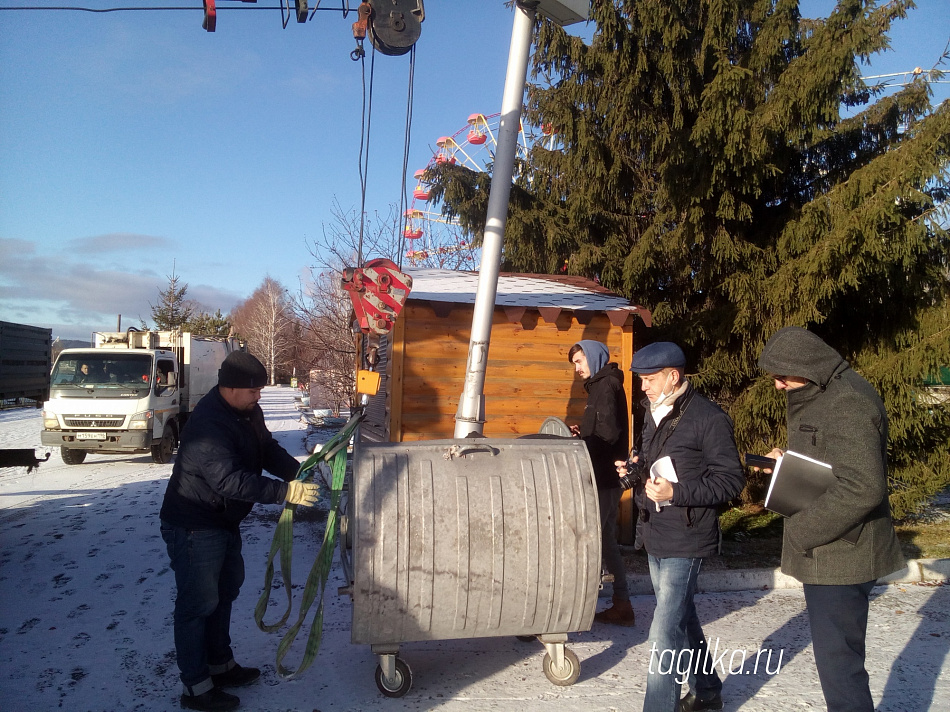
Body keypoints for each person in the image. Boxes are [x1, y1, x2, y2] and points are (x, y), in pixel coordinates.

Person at [159, 351, 320, 712]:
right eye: (253, 391)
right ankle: (196, 688)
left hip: (222, 522)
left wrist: (296, 473)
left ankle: (221, 665)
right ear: (230, 388)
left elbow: (266, 448)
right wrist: (284, 492)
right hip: (194, 524)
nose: (258, 396)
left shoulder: (247, 412)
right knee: (197, 604)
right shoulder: (208, 425)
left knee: (224, 593)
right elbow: (228, 480)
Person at [757, 326, 904, 712]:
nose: (776, 385)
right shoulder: (821, 392)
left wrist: (803, 530)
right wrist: (787, 467)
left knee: (841, 671)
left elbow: (863, 487)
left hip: (842, 554)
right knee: (837, 666)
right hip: (833, 549)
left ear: (804, 365)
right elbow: (831, 462)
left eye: (780, 376)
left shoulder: (848, 402)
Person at [618, 342, 744, 712]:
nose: (643, 387)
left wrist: (678, 491)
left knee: (663, 633)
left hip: (688, 537)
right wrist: (633, 467)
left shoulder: (709, 418)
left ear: (673, 376)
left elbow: (730, 480)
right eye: (641, 380)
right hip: (655, 530)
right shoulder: (652, 411)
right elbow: (647, 456)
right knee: (681, 617)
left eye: (649, 379)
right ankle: (707, 691)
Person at [567, 340, 634, 626]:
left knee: (599, 536)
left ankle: (613, 601)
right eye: (574, 365)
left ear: (593, 358)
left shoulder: (605, 385)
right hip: (603, 471)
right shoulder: (601, 385)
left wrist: (585, 443)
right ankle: (621, 602)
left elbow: (607, 433)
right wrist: (584, 432)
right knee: (604, 535)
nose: (577, 369)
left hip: (604, 474)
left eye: (580, 362)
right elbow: (602, 428)